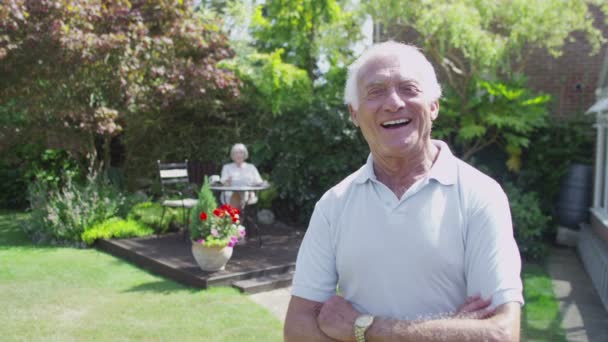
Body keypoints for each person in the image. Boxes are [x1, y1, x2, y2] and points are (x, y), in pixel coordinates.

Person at [284, 41, 523, 341]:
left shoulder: (481, 196)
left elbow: (501, 333)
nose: (393, 103)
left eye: (409, 88)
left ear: (434, 105)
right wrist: (449, 332)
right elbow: (297, 328)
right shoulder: (333, 205)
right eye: (375, 92)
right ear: (354, 114)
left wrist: (364, 328)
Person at [220, 143, 264, 210]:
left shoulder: (251, 167)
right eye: (236, 153)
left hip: (248, 195)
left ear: (245, 154)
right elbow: (223, 183)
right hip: (230, 195)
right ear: (232, 155)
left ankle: (235, 217)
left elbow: (259, 182)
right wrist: (227, 182)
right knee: (237, 194)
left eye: (241, 152)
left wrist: (257, 184)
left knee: (243, 193)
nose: (238, 155)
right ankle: (240, 213)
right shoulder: (227, 167)